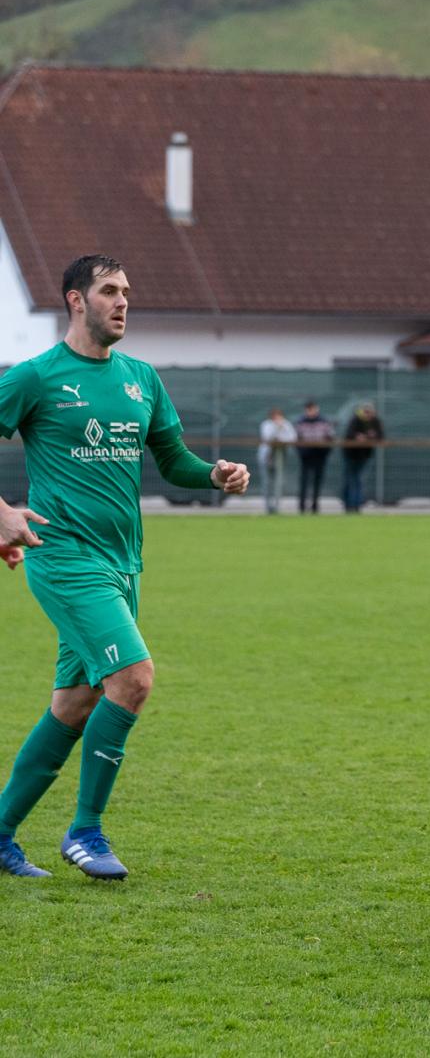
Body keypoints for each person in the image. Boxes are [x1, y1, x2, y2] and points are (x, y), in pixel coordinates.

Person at [0, 255, 250, 881]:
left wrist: (214, 474)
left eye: (127, 292)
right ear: (75, 300)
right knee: (133, 678)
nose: (123, 302)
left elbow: (173, 459)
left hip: (124, 565)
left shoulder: (141, 378)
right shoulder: (35, 377)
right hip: (64, 557)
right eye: (109, 291)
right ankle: (85, 831)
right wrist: (1, 513)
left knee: (76, 702)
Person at [341, 403, 383, 513]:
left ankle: (356, 505)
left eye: (370, 412)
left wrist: (370, 437)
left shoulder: (375, 421)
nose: (367, 414)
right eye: (366, 412)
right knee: (350, 480)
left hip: (364, 455)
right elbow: (349, 435)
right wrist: (358, 437)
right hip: (351, 454)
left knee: (359, 480)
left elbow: (380, 436)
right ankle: (348, 505)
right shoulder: (355, 420)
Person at [295, 401, 335, 514]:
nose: (310, 412)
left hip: (319, 455)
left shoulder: (324, 422)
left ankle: (315, 505)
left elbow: (330, 437)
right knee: (304, 481)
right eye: (308, 409)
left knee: (318, 481)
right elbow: (296, 438)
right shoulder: (301, 422)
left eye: (312, 409)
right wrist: (302, 450)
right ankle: (302, 506)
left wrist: (324, 450)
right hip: (306, 456)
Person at [257, 407, 297, 513]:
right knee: (266, 483)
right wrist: (277, 427)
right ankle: (267, 507)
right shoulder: (266, 425)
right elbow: (268, 437)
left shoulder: (286, 424)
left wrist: (281, 428)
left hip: (280, 457)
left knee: (278, 483)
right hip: (266, 458)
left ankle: (277, 506)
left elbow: (292, 437)